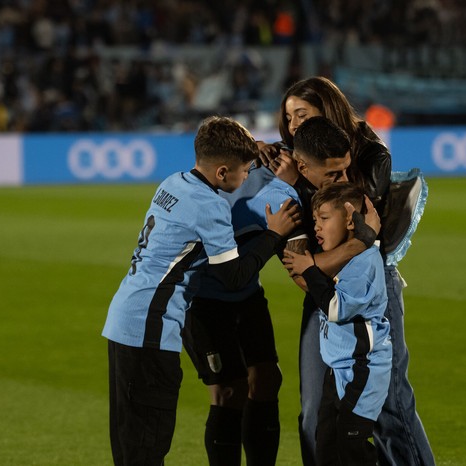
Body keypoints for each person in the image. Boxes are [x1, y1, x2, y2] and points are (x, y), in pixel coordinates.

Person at [101, 115, 302, 466]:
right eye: (244, 170)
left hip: (126, 320)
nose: (247, 177)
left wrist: (251, 147)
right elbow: (234, 276)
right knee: (147, 444)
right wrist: (273, 234)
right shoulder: (209, 206)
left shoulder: (174, 183)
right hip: (150, 328)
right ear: (222, 172)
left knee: (132, 441)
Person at [260, 77, 434, 466]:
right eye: (288, 118)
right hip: (322, 292)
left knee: (389, 407)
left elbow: (356, 233)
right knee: (314, 411)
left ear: (328, 111)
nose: (293, 126)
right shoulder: (295, 163)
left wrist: (296, 187)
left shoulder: (368, 156)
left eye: (302, 114)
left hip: (367, 287)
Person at [182, 127, 381, 466]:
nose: (342, 179)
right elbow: (305, 276)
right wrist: (362, 241)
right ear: (303, 167)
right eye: (333, 173)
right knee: (228, 392)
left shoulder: (281, 175)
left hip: (245, 293)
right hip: (201, 298)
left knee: (266, 379)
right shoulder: (281, 194)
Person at [283, 182, 392, 466]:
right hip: (339, 369)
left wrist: (309, 269)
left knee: (351, 446)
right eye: (315, 219)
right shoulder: (345, 259)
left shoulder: (365, 262)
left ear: (349, 218)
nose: (316, 227)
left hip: (362, 370)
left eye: (324, 218)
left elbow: (335, 307)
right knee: (327, 445)